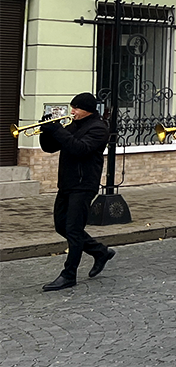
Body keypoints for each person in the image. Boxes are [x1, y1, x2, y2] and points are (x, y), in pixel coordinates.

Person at [37, 93, 114, 292]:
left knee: (73, 229)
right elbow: (50, 147)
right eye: (72, 107)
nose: (72, 111)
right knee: (61, 226)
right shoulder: (73, 125)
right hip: (67, 183)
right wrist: (46, 131)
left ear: (87, 109)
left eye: (76, 108)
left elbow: (79, 148)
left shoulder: (99, 128)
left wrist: (58, 130)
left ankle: (69, 275)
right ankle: (100, 252)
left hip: (84, 185)